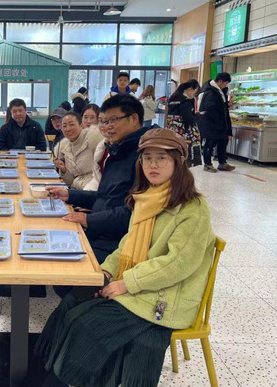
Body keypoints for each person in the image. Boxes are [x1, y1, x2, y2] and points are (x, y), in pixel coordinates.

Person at [35, 128, 216, 387]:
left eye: (162, 158)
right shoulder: (148, 197)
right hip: (141, 282)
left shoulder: (192, 208)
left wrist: (126, 283)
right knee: (72, 302)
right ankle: (52, 372)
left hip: (166, 296)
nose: (153, 165)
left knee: (85, 324)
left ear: (179, 162)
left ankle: (63, 380)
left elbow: (177, 265)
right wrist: (107, 270)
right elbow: (127, 243)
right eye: (147, 158)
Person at [48, 95, 152, 264]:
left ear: (134, 119)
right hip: (98, 232)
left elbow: (135, 213)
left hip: (116, 244)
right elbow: (103, 197)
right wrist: (69, 195)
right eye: (103, 122)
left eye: (113, 120)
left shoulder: (146, 156)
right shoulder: (116, 151)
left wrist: (88, 220)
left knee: (55, 263)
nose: (106, 127)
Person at [54, 112, 104, 190]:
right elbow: (70, 181)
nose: (68, 129)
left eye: (71, 124)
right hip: (76, 189)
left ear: (81, 125)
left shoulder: (94, 140)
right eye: (64, 126)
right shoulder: (64, 148)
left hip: (94, 188)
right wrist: (64, 169)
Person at [198, 72, 235, 172]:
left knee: (223, 141)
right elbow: (210, 109)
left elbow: (220, 106)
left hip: (220, 123)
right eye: (225, 83)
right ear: (220, 81)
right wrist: (219, 119)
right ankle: (207, 164)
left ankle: (222, 163)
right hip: (211, 124)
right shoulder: (210, 92)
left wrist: (227, 105)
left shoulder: (220, 91)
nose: (225, 86)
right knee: (209, 144)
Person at [166, 80, 202, 167]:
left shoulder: (173, 98)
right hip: (184, 132)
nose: (194, 95)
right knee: (184, 154)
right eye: (195, 92)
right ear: (190, 89)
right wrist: (197, 116)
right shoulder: (186, 101)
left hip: (172, 131)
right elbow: (188, 119)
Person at [83, 110, 109, 191]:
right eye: (101, 121)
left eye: (109, 121)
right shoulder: (102, 145)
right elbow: (96, 179)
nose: (88, 121)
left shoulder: (97, 140)